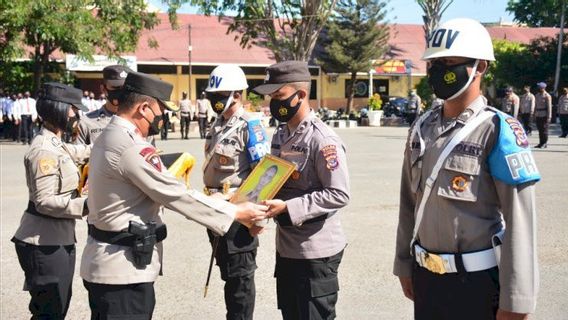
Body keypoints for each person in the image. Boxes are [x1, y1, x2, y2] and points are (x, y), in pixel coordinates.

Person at [79, 71, 267, 319]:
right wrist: (236, 211)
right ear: (144, 108)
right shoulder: (131, 145)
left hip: (109, 264)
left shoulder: (108, 134)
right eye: (161, 111)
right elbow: (177, 195)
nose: (163, 118)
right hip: (121, 271)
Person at [393, 18, 540, 320]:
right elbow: (409, 203)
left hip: (476, 284)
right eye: (434, 63)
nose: (438, 71)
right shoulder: (423, 127)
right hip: (427, 279)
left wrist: (516, 301)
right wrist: (403, 263)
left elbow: (521, 222)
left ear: (480, 66)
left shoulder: (498, 130)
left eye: (448, 62)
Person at [254, 61, 350, 320]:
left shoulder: (322, 139)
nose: (273, 103)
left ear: (301, 95)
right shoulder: (282, 134)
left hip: (315, 254)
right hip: (287, 249)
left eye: (279, 96)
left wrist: (289, 208)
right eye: (272, 97)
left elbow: (339, 193)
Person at [11, 82, 90, 319]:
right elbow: (43, 201)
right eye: (74, 110)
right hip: (43, 243)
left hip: (57, 239)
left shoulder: (57, 143)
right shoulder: (44, 150)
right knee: (50, 312)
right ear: (60, 109)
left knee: (58, 306)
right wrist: (86, 206)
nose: (77, 115)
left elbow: (81, 151)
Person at [203, 64, 270, 320]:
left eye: (220, 96)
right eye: (212, 96)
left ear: (237, 94)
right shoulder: (218, 125)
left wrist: (259, 219)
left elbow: (262, 175)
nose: (215, 101)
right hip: (215, 211)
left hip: (238, 216)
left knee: (240, 282)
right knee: (228, 275)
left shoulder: (249, 126)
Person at [76, 65, 132, 145]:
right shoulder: (86, 122)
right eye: (116, 87)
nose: (121, 92)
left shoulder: (140, 120)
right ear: (103, 89)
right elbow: (77, 155)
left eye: (125, 89)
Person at [534, 82, 552, 148]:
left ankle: (544, 143)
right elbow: (535, 106)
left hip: (544, 115)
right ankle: (541, 143)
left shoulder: (547, 96)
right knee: (540, 130)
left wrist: (549, 117)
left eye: (539, 87)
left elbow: (549, 107)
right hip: (538, 114)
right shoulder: (537, 95)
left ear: (543, 88)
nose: (538, 88)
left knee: (544, 130)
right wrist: (534, 114)